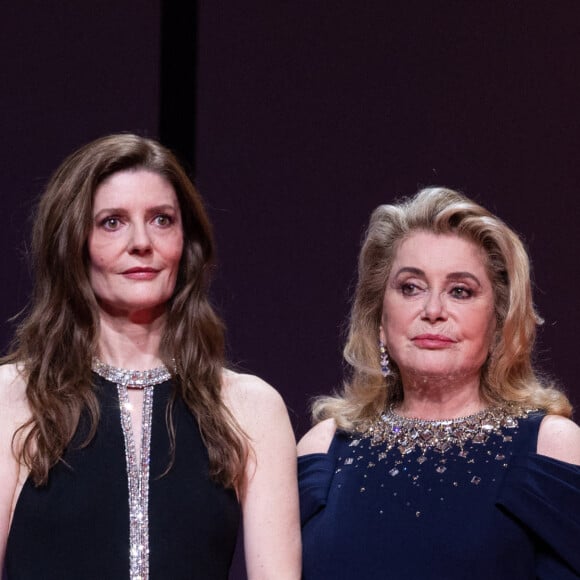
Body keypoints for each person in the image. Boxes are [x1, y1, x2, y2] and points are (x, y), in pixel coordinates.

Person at [0, 133, 301, 579]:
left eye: (162, 220)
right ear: (71, 243)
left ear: (187, 242)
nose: (142, 242)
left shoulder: (249, 408)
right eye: (112, 222)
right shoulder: (12, 398)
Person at [298, 187, 580, 579]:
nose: (433, 311)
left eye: (460, 291)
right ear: (379, 317)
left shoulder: (550, 447)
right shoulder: (325, 449)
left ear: (498, 322)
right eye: (410, 287)